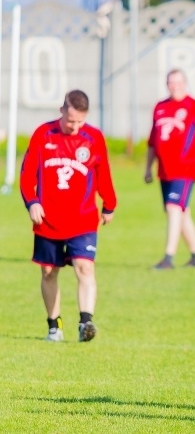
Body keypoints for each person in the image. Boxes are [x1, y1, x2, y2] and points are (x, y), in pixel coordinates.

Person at [19, 90, 117, 342]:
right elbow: (27, 174)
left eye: (80, 122)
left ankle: (86, 323)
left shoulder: (94, 138)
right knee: (49, 272)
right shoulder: (43, 134)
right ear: (62, 110)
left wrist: (109, 205)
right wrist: (31, 202)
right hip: (48, 219)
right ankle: (55, 325)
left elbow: (103, 172)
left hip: (82, 218)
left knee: (85, 267)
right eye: (71, 120)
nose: (75, 127)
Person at [144, 69, 195, 269]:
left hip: (185, 169)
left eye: (178, 82)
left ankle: (168, 257)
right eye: (171, 82)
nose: (174, 86)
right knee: (181, 213)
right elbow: (152, 141)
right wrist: (148, 168)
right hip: (164, 171)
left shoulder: (194, 106)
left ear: (185, 83)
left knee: (173, 208)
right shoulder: (160, 107)